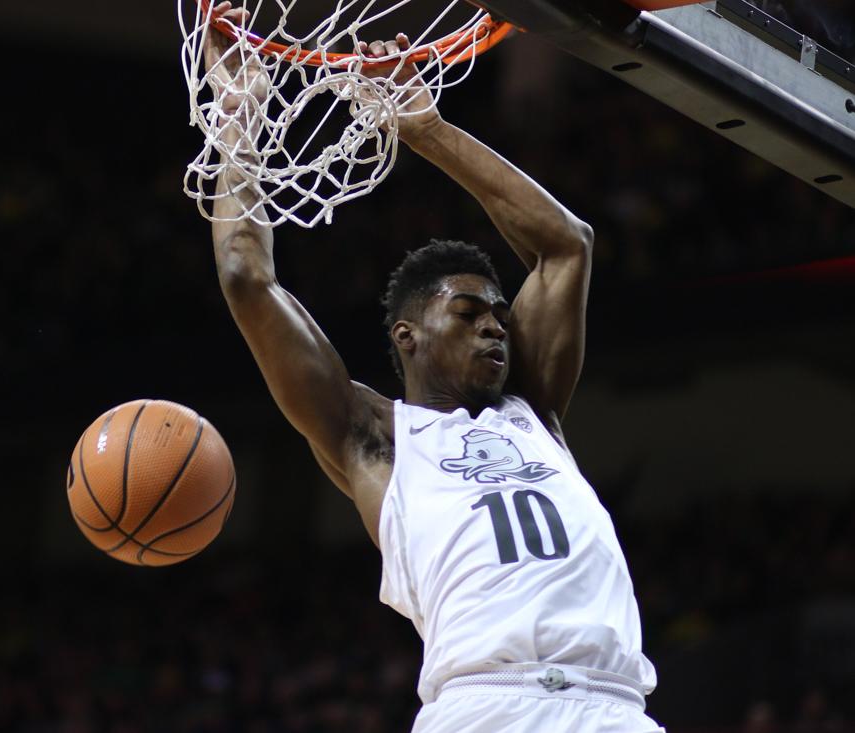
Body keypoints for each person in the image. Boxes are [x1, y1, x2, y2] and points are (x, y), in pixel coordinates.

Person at [202, 3, 663, 731]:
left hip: (613, 708)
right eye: (470, 313)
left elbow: (567, 244)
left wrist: (427, 130)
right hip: (484, 706)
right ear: (407, 335)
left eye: (500, 315)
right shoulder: (373, 436)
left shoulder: (533, 412)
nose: (495, 326)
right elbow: (245, 279)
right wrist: (236, 119)